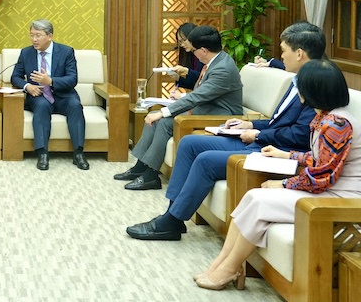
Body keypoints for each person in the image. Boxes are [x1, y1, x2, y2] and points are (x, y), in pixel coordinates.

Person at [126, 21, 324, 240]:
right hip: (263, 140)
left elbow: (300, 135)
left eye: (284, 51)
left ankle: (171, 222)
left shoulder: (317, 85)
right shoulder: (298, 79)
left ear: (299, 54)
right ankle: (172, 215)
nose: (281, 57)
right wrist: (251, 125)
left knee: (206, 160)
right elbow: (278, 121)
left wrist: (258, 134)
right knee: (189, 144)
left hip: (279, 153)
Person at [194, 58, 359, 291]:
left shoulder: (337, 124)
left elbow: (323, 176)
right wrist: (287, 155)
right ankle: (223, 264)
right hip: (330, 190)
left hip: (341, 198)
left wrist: (284, 184)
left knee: (259, 201)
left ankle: (230, 268)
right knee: (253, 196)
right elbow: (321, 160)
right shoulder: (326, 117)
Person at [114, 25, 243, 190]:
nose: (192, 53)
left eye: (194, 50)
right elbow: (201, 94)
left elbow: (197, 96)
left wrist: (163, 112)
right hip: (204, 110)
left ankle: (151, 175)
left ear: (204, 50)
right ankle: (141, 167)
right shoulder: (216, 61)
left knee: (163, 121)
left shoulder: (222, 69)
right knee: (156, 117)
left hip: (218, 118)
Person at [10, 19, 89, 171]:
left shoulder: (66, 52)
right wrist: (28, 86)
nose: (34, 39)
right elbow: (15, 77)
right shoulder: (26, 53)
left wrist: (51, 81)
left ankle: (78, 153)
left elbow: (73, 79)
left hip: (64, 95)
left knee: (75, 105)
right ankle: (42, 153)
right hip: (38, 95)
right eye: (31, 35)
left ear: (50, 36)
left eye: (38, 35)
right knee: (41, 106)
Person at [168, 22, 204, 90]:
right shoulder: (190, 55)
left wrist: (186, 71)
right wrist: (178, 78)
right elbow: (194, 85)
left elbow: (205, 79)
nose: (182, 45)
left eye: (184, 40)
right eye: (180, 42)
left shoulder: (204, 54)